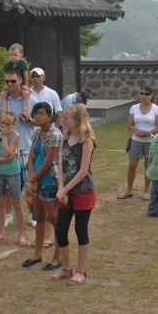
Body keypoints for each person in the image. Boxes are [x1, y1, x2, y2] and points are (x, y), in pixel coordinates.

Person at [48, 104, 96, 286]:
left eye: (67, 118)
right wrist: (62, 188)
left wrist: (65, 189)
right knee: (60, 230)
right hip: (66, 190)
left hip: (82, 191)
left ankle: (80, 271)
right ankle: (66, 268)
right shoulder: (65, 137)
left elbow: (83, 171)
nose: (64, 120)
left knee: (80, 230)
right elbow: (60, 164)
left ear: (77, 120)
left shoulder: (87, 141)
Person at [0, 69, 40, 228]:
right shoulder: (1, 99)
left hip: (26, 146)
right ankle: (7, 215)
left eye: (13, 81)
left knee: (29, 183)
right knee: (6, 184)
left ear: (21, 80)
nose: (10, 84)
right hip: (6, 146)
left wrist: (29, 119)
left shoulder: (30, 99)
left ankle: (32, 214)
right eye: (7, 82)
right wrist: (1, 117)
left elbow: (39, 122)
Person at [23, 102, 63, 270]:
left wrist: (34, 180)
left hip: (49, 181)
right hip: (37, 181)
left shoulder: (55, 134)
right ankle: (37, 254)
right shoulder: (37, 132)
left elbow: (47, 163)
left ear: (50, 116)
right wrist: (33, 180)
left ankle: (58, 257)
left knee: (54, 219)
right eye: (35, 113)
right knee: (39, 217)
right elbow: (31, 157)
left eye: (41, 113)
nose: (37, 116)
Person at [118, 86, 158, 201]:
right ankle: (129, 190)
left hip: (150, 141)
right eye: (142, 93)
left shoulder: (157, 109)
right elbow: (130, 125)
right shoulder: (134, 108)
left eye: (147, 94)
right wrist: (136, 131)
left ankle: (146, 191)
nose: (144, 96)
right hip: (136, 140)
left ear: (151, 95)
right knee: (132, 166)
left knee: (148, 167)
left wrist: (147, 133)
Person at [0, 112, 26, 246]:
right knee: (1, 202)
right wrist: (8, 158)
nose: (4, 126)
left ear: (13, 125)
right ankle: (1, 232)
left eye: (7, 124)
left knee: (17, 203)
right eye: (2, 123)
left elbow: (5, 153)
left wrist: (5, 139)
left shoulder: (15, 136)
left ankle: (21, 235)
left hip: (13, 173)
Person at [0, 43, 32, 122]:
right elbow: (7, 76)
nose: (12, 57)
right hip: (12, 84)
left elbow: (25, 75)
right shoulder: (8, 63)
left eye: (15, 55)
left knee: (26, 94)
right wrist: (6, 86)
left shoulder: (23, 62)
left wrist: (25, 85)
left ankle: (24, 111)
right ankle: (4, 111)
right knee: (3, 94)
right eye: (11, 55)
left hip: (20, 83)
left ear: (21, 55)